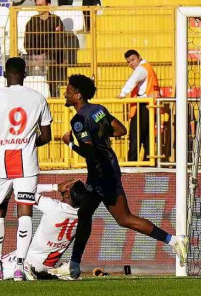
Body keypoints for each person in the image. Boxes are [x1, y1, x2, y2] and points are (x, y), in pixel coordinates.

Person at [61, 74, 187, 279]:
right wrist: (100, 136)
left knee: (121, 218)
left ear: (78, 94)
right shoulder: (99, 110)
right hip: (108, 167)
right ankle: (74, 265)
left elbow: (90, 151)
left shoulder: (78, 120)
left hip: (101, 173)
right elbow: (120, 129)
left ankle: (74, 265)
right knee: (88, 214)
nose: (65, 94)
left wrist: (70, 143)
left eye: (68, 91)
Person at [0, 57, 53, 281]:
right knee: (25, 210)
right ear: (24, 73)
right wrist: (27, 143)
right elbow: (46, 136)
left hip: (0, 163)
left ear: (6, 75)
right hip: (26, 163)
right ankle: (19, 267)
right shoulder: (38, 98)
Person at [0, 180, 86, 281]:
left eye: (68, 187)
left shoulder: (53, 206)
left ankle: (26, 270)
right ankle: (51, 272)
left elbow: (24, 190)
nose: (66, 185)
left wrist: (55, 187)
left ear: (67, 195)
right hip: (49, 264)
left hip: (30, 259)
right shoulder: (82, 216)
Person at [24, 0, 76, 97]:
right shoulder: (32, 21)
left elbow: (58, 41)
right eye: (37, 5)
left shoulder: (55, 20)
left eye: (41, 5)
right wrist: (34, 54)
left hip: (53, 55)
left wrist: (46, 54)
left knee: (51, 65)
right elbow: (27, 40)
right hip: (35, 55)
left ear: (48, 5)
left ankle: (53, 95)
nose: (39, 7)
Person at [117, 50, 159, 162]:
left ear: (139, 57)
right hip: (150, 106)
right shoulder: (148, 68)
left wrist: (122, 94)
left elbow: (133, 80)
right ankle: (149, 162)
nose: (131, 63)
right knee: (147, 137)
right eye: (128, 62)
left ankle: (132, 162)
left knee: (136, 136)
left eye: (133, 59)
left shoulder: (141, 69)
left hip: (143, 107)